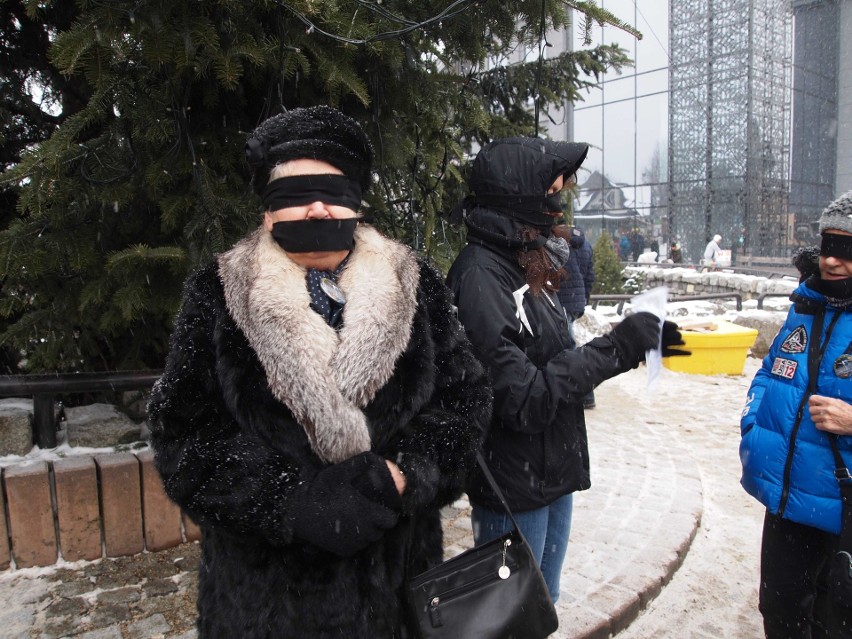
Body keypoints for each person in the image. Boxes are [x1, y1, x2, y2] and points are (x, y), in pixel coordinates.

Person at [146, 105, 492, 638]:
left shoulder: (415, 286)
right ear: (266, 212)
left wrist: (403, 475)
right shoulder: (218, 294)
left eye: (333, 190)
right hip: (264, 608)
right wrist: (290, 502)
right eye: (294, 193)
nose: (315, 207)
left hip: (396, 596)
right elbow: (184, 437)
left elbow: (464, 401)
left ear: (358, 201)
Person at [445, 136, 689, 603]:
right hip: (514, 484)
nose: (559, 204)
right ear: (517, 195)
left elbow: (553, 358)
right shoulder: (481, 278)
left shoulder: (525, 261)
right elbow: (522, 399)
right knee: (513, 622)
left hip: (551, 470)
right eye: (551, 191)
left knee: (543, 606)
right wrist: (618, 347)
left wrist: (628, 340)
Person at [740, 191, 852, 637]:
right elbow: (769, 372)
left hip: (845, 508)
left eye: (847, 251)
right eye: (828, 247)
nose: (832, 262)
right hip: (789, 503)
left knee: (836, 620)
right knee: (781, 614)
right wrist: (752, 424)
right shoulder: (805, 304)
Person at [557, 224, 597, 409]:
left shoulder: (558, 244)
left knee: (568, 346)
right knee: (567, 343)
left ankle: (585, 394)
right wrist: (583, 300)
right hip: (575, 301)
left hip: (561, 300)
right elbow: (590, 276)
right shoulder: (586, 245)